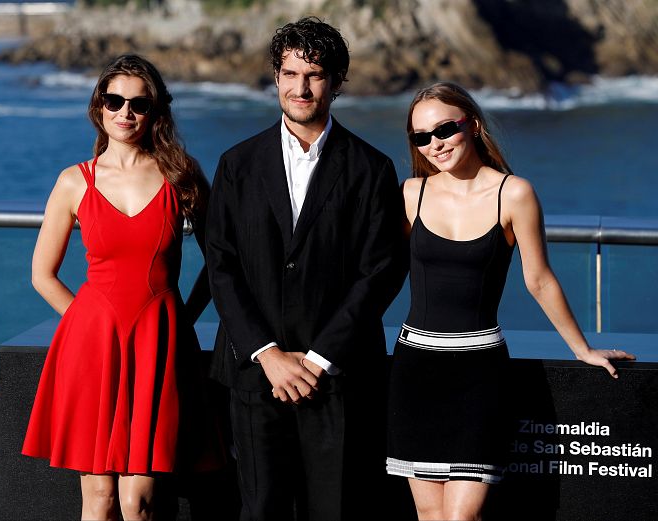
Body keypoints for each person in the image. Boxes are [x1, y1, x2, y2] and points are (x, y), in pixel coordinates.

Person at [385, 81, 637, 521]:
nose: (434, 144)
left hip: (478, 371)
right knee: (429, 517)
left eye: (444, 129)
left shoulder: (514, 193)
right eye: (421, 137)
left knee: (462, 517)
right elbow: (376, 274)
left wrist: (583, 349)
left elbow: (539, 280)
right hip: (416, 370)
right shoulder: (410, 195)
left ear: (473, 124)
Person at [205, 16, 409, 521]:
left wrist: (317, 359)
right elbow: (222, 264)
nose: (301, 87)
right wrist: (268, 354)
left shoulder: (371, 168)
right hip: (255, 374)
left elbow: (380, 272)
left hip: (336, 377)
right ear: (275, 77)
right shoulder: (237, 164)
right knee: (261, 511)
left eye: (315, 75)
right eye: (291, 73)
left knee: (335, 511)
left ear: (337, 82)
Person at [21, 54, 223, 521]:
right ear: (99, 107)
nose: (125, 113)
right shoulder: (75, 181)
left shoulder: (181, 174)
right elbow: (42, 275)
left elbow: (221, 262)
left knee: (141, 502)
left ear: (155, 111)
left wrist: (180, 319)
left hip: (159, 344)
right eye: (114, 101)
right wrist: (86, 324)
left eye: (138, 103)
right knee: (100, 500)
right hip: (92, 347)